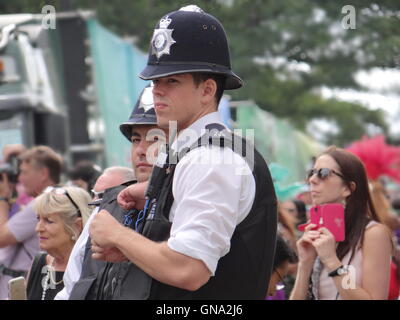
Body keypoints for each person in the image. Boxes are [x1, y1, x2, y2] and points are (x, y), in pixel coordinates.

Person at [89, 5, 277, 299]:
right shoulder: (191, 153)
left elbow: (188, 270)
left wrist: (118, 235)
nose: (157, 91)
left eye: (172, 80)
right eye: (155, 81)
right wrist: (132, 246)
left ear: (207, 90)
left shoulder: (212, 159)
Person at [55, 85, 164, 300]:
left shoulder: (184, 204)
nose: (142, 149)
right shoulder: (107, 206)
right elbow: (71, 286)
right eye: (135, 139)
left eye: (155, 138)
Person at [290, 146, 393, 300]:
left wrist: (332, 261)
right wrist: (305, 263)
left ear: (347, 188)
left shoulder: (373, 233)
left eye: (323, 173)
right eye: (311, 173)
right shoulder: (317, 229)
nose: (312, 180)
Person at [54, 166, 135, 300]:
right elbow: (71, 286)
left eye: (105, 197)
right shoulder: (94, 222)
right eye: (94, 194)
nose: (96, 202)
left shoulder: (136, 227)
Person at [0, 145, 63, 299]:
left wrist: (2, 199)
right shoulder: (60, 197)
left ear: (43, 173)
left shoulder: (42, 204)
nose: (20, 178)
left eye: (24, 172)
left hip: (23, 287)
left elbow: (1, 238)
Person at [25, 186, 92, 300]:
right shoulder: (39, 262)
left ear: (77, 226)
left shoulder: (89, 271)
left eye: (48, 221)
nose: (38, 228)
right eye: (38, 219)